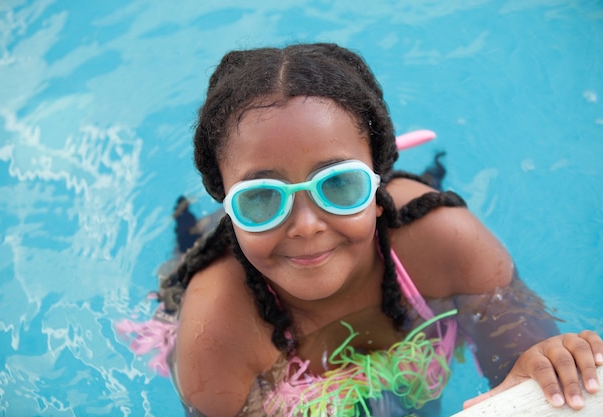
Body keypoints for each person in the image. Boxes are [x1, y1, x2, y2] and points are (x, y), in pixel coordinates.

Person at [155, 43, 602, 416]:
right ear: (224, 197)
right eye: (260, 197)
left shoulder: (445, 243)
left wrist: (542, 360)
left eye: (339, 185)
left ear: (377, 174)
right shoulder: (215, 333)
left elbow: (529, 369)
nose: (306, 225)